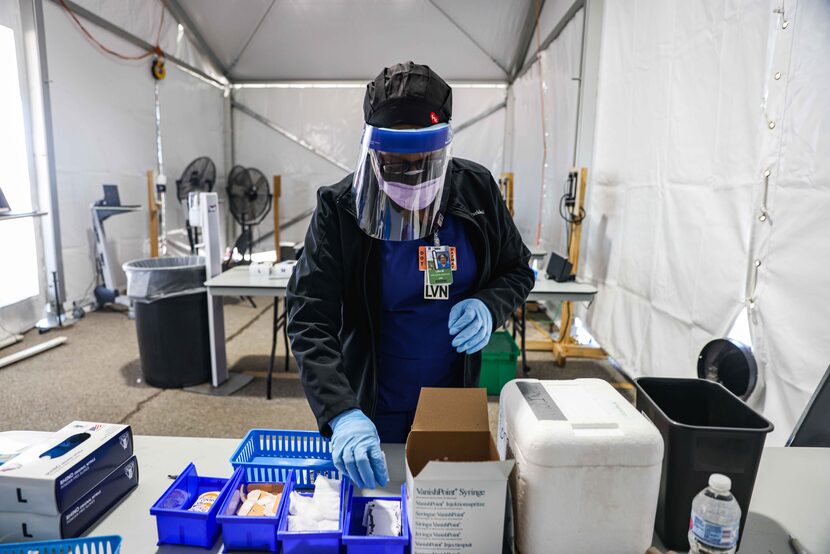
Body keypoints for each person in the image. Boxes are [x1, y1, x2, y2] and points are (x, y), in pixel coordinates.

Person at [287, 61, 534, 490]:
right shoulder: (340, 209)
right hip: (369, 400)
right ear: (374, 153)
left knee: (445, 511)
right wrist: (340, 413)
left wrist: (489, 306)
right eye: (396, 165)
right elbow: (309, 318)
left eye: (422, 164)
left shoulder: (476, 191)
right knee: (373, 508)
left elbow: (517, 269)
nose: (410, 180)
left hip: (449, 395)